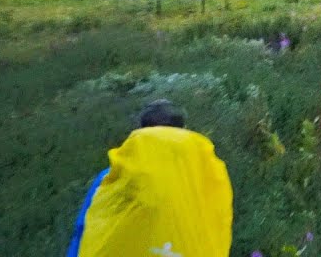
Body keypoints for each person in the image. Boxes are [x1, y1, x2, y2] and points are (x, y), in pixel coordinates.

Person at [67, 100, 233, 257]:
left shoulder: (114, 177)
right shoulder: (209, 177)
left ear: (141, 130)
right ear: (184, 130)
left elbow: (83, 229)